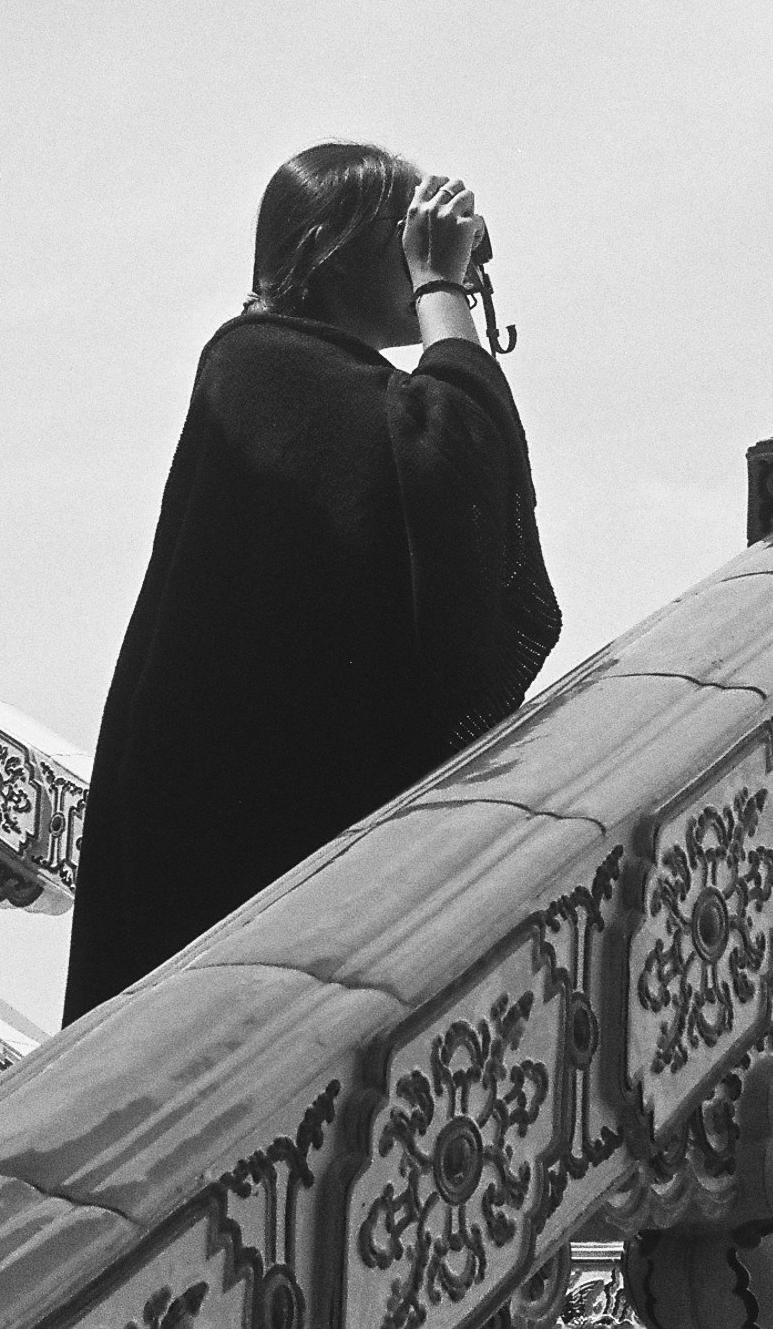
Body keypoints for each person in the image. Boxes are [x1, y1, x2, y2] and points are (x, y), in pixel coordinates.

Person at [60, 143, 561, 1024]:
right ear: (332, 246)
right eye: (403, 232)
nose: (421, 249)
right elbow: (460, 457)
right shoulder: (263, 367)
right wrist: (442, 288)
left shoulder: (317, 382)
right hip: (242, 847)